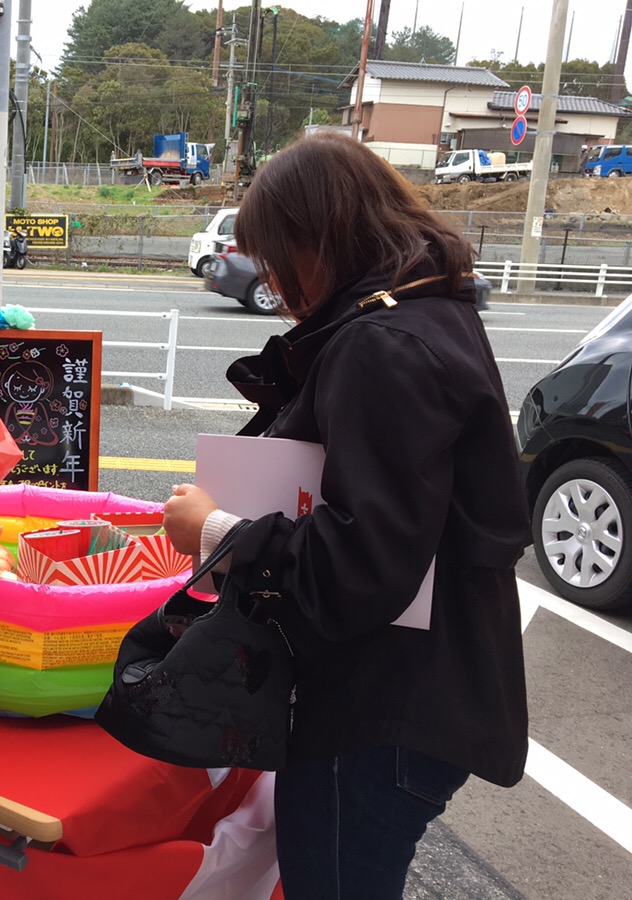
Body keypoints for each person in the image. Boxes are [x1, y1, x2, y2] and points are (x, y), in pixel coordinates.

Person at [163, 132, 530, 900]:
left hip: (383, 708)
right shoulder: (432, 311)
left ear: (318, 237)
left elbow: (361, 564)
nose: (273, 279)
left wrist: (216, 533)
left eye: (275, 256)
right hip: (429, 691)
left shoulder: (383, 345)